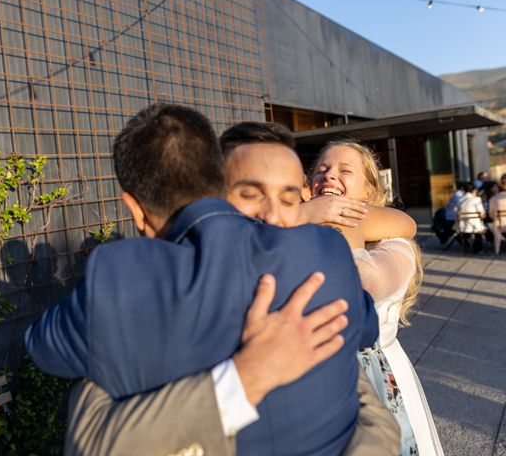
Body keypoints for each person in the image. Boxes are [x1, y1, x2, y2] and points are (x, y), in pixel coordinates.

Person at [26, 105, 381, 456]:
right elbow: (366, 327)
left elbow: (43, 346)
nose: (274, 214)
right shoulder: (328, 252)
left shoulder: (119, 275)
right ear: (218, 180)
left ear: (134, 209)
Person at [311, 139, 444, 455]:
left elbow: (363, 283)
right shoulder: (300, 233)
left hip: (376, 381)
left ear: (370, 191)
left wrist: (335, 216)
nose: (329, 176)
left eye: (345, 170)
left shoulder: (393, 244)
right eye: (321, 170)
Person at [454, 181, 487, 253]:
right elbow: (482, 213)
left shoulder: (459, 199)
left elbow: (456, 212)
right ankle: (478, 249)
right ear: (474, 190)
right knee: (482, 228)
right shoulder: (477, 199)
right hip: (475, 226)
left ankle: (466, 245)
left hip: (462, 226)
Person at [489, 178, 506, 255]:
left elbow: (491, 214)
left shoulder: (494, 198)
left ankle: (497, 250)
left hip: (498, 224)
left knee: (494, 223)